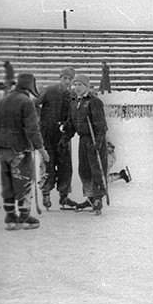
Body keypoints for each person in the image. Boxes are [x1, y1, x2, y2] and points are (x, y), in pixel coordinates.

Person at [0, 73, 50, 229]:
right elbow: (32, 129)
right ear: (30, 86)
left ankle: (10, 217)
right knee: (23, 181)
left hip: (4, 147)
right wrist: (40, 148)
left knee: (8, 182)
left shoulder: (4, 100)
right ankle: (24, 216)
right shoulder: (26, 102)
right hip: (20, 147)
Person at [60, 74, 108, 214]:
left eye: (80, 84)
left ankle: (98, 198)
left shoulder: (94, 101)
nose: (77, 87)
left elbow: (101, 125)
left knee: (96, 169)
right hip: (83, 141)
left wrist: (98, 142)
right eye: (75, 85)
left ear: (87, 86)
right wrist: (65, 138)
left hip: (94, 140)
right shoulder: (74, 102)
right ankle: (89, 197)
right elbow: (71, 124)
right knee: (84, 170)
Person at [35, 67, 78, 210]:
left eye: (70, 79)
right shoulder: (48, 90)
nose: (67, 81)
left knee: (66, 166)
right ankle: (46, 193)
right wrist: (41, 118)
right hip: (47, 133)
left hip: (63, 135)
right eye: (64, 78)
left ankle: (64, 197)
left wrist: (68, 126)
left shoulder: (72, 94)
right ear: (60, 78)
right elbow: (35, 103)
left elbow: (74, 113)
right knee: (49, 163)